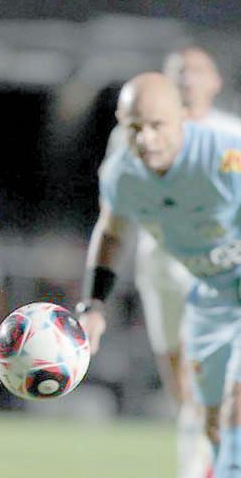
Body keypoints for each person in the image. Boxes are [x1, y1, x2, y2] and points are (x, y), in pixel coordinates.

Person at [78, 72, 241, 478]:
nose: (147, 139)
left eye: (157, 126)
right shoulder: (123, 174)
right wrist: (94, 305)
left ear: (183, 117)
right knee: (207, 418)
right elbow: (112, 233)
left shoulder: (226, 158)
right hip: (209, 294)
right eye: (135, 128)